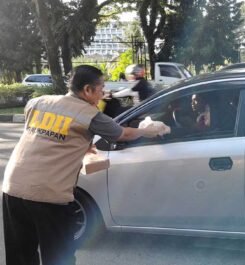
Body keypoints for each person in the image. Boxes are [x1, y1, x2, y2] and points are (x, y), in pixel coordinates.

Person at [2, 65, 166, 265]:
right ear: (87, 90)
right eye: (101, 88)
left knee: (20, 255)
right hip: (50, 195)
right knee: (58, 256)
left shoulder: (37, 102)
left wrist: (81, 146)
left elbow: (44, 135)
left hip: (13, 188)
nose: (103, 93)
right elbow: (124, 133)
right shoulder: (89, 114)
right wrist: (148, 131)